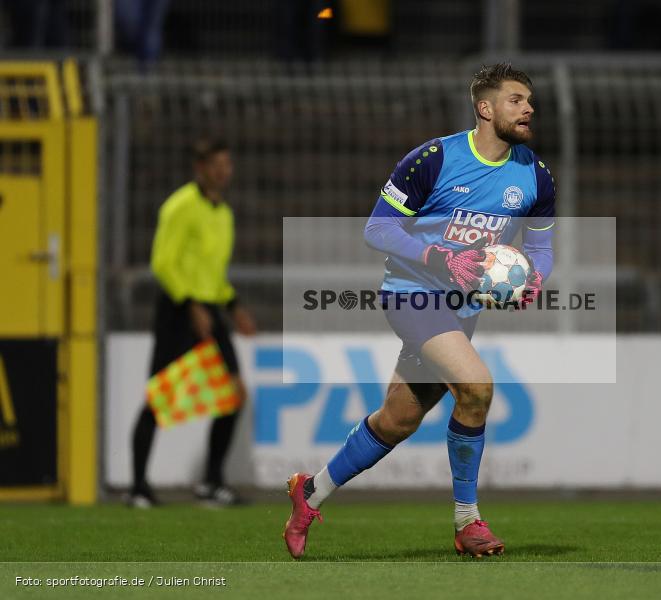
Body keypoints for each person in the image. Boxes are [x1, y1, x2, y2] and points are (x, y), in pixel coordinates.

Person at [282, 63, 556, 558]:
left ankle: (310, 492)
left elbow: (541, 247)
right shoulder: (433, 159)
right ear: (485, 107)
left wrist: (534, 279)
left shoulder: (534, 175)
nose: (528, 108)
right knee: (476, 387)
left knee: (397, 420)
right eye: (516, 99)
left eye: (528, 100)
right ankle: (467, 520)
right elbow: (377, 230)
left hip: (461, 309)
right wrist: (439, 256)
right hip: (411, 294)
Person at [128, 139, 257, 508]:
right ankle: (138, 487)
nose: (223, 172)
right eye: (216, 165)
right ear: (200, 168)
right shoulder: (180, 207)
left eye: (227, 165)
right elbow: (163, 263)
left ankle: (212, 483)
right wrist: (189, 303)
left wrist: (233, 306)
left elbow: (213, 274)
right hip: (178, 310)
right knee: (159, 398)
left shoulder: (223, 214)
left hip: (211, 311)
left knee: (233, 394)